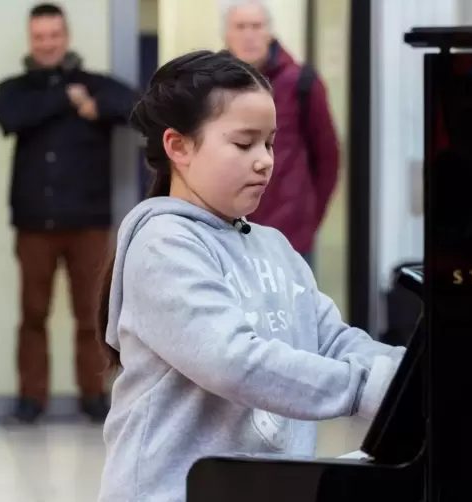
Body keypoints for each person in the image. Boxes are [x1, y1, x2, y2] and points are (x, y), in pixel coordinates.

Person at [96, 50, 404, 502]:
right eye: (244, 144)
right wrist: (366, 388)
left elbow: (333, 340)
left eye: (270, 143)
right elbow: (232, 361)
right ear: (178, 147)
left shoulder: (274, 246)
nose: (264, 161)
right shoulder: (162, 243)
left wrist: (405, 374)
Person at [0, 3, 136, 424]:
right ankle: (30, 399)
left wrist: (93, 105)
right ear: (31, 39)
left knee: (91, 316)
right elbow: (8, 117)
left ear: (66, 36)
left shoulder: (93, 86)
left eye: (54, 35)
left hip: (88, 223)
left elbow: (134, 104)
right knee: (32, 315)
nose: (48, 43)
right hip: (34, 223)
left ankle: (93, 396)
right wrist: (63, 96)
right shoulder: (15, 89)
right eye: (40, 36)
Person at [223, 0, 339, 268]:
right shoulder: (212, 87)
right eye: (240, 27)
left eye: (256, 26)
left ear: (269, 32)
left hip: (289, 236)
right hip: (227, 233)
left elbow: (327, 158)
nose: (249, 34)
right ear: (227, 35)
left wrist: (308, 220)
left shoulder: (301, 82)